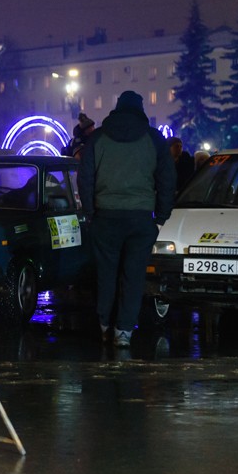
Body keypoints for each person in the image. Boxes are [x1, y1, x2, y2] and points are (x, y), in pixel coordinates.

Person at [78, 90, 176, 349]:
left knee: (106, 274)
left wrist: (90, 213)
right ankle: (124, 331)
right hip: (141, 218)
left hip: (105, 216)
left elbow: (85, 177)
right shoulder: (154, 139)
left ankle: (104, 324)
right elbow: (167, 179)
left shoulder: (98, 138)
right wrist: (161, 217)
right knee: (133, 277)